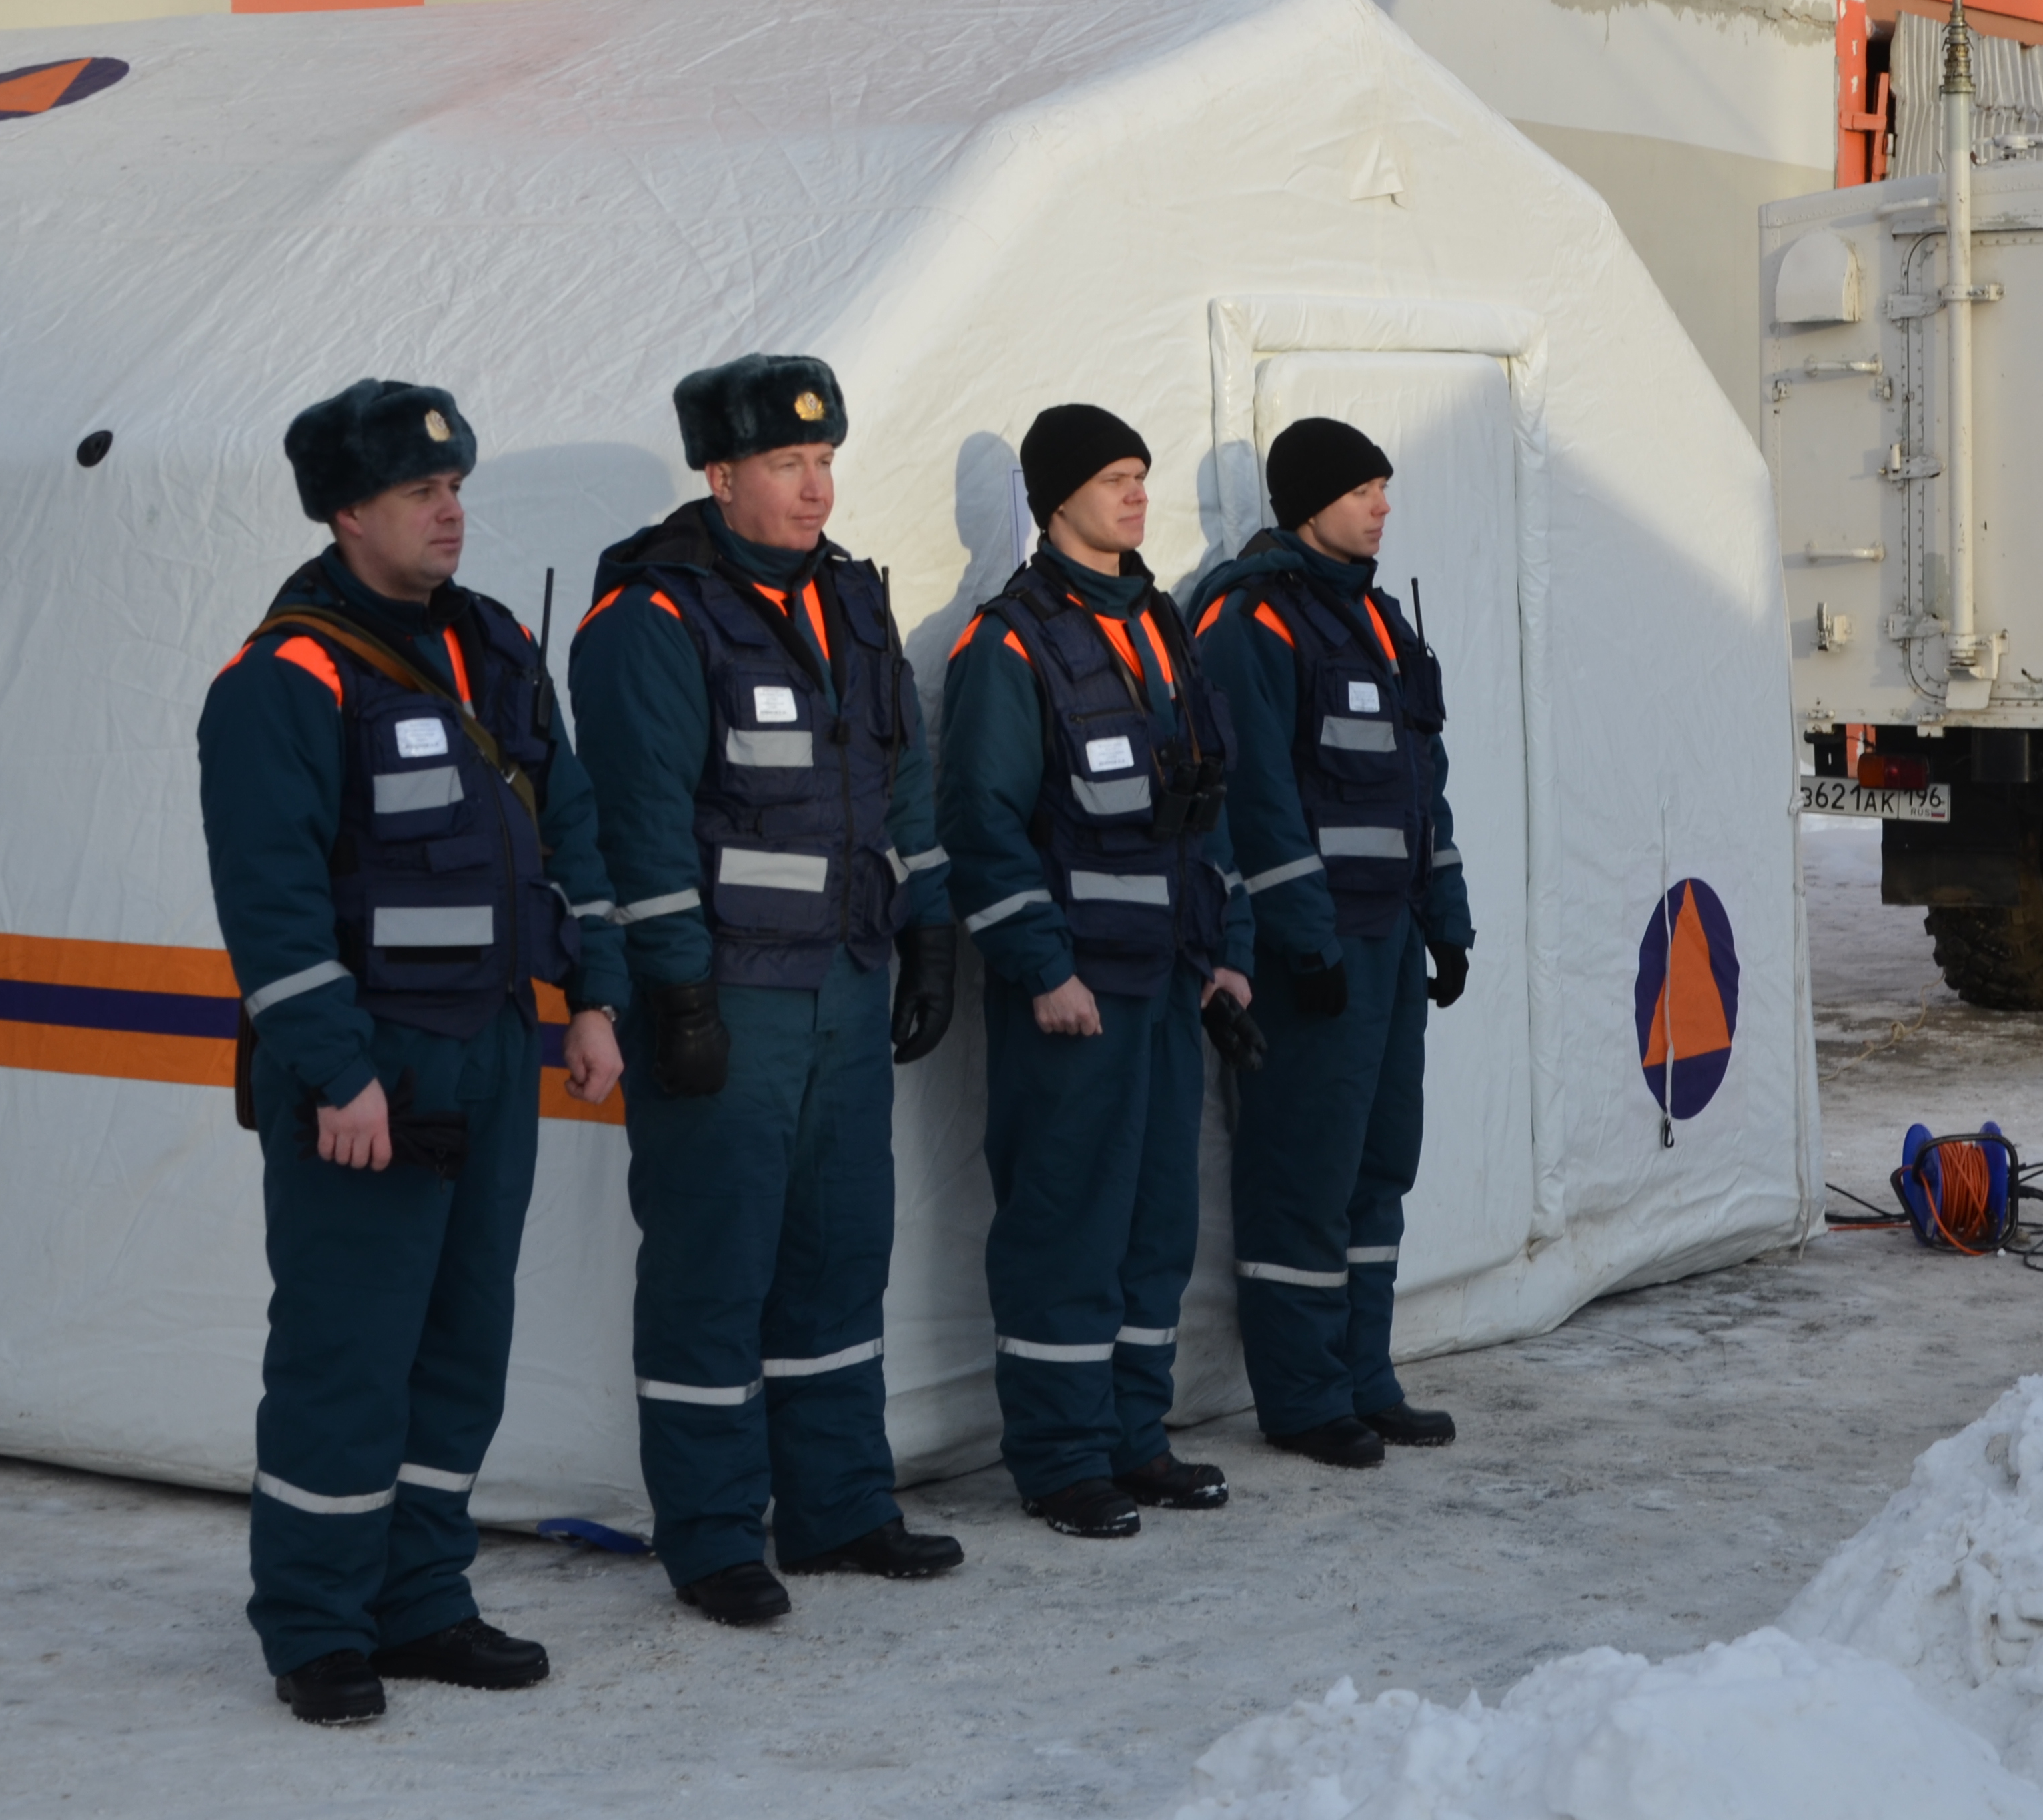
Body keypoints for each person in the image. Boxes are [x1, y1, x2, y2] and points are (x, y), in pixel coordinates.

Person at [198, 379, 630, 1726]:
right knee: (346, 1347)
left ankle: (421, 1598)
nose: (450, 512)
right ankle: (318, 1622)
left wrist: (597, 995)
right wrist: (335, 1070)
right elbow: (268, 903)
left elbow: (571, 831)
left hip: (492, 1047)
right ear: (347, 512)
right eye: (418, 494)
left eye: (455, 489)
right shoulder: (284, 679)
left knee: (461, 1341)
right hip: (370, 1065)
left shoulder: (495, 643)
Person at [570, 353, 964, 1627]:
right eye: (789, 466)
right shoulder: (653, 617)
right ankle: (714, 1533)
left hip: (845, 985)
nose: (816, 488)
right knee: (712, 1267)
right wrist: (674, 996)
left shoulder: (852, 603)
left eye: (826, 462)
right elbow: (635, 827)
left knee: (839, 1256)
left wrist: (932, 927)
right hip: (728, 999)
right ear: (722, 474)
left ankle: (840, 1507)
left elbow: (898, 779)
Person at [936, 404, 1257, 1540]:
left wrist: (1228, 955)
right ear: (1055, 495)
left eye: (1141, 477)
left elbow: (1203, 814)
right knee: (1065, 1224)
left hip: (1167, 987)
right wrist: (1041, 968)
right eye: (1115, 478)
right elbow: (982, 824)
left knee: (1156, 1224)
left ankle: (1133, 1438)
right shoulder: (1010, 642)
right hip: (1074, 999)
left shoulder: (1161, 627)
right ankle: (1061, 1460)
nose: (1136, 496)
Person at [1188, 418, 1473, 1468]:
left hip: (1390, 944)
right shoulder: (1249, 623)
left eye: (1385, 489)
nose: (1382, 506)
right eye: (1363, 490)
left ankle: (1365, 1372)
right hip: (1312, 952)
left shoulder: (1383, 625)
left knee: (1378, 1163)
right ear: (1306, 504)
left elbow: (1419, 794)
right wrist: (1299, 942)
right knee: (1302, 1171)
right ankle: (1304, 1398)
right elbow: (1254, 801)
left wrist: (1448, 920)